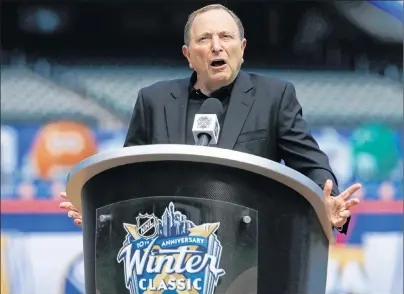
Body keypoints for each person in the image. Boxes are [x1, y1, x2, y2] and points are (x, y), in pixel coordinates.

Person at [60, 4, 361, 234]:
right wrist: (103, 211)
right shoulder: (154, 100)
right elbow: (130, 180)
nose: (216, 46)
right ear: (188, 54)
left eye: (226, 37)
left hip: (249, 252)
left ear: (241, 49)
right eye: (204, 39)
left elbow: (311, 165)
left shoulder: (274, 97)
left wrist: (330, 200)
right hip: (170, 261)